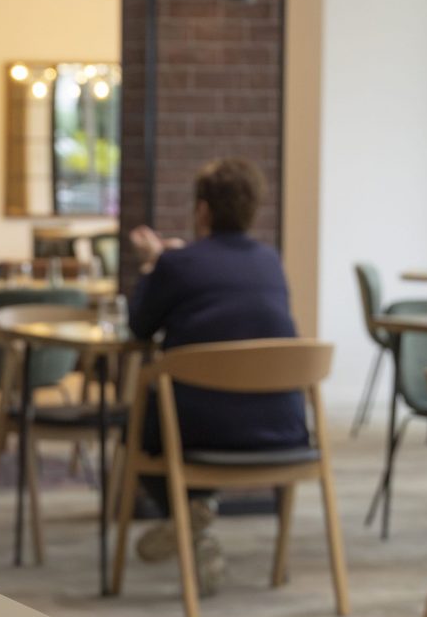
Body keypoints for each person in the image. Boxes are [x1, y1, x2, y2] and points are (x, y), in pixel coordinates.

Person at [126, 157, 308, 594]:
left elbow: (139, 326)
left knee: (134, 427)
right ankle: (196, 526)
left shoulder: (178, 265)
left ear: (203, 210)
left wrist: (152, 266)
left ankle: (190, 515)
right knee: (166, 416)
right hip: (282, 430)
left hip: (199, 432)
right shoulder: (270, 262)